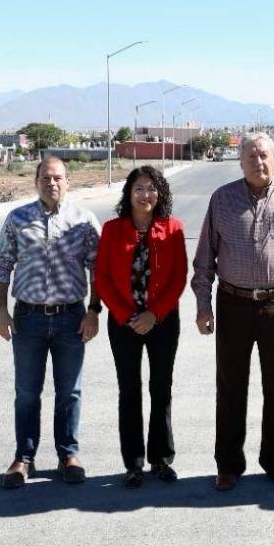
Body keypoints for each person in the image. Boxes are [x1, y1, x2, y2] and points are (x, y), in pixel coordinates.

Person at [192, 133, 274, 491]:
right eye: (251, 157)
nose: (258, 163)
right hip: (232, 304)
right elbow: (204, 260)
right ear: (240, 160)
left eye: (264, 156)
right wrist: (203, 305)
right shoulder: (222, 199)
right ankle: (228, 464)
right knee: (230, 387)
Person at [0, 156, 101, 488]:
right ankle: (23, 458)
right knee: (27, 392)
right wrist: (1, 311)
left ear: (68, 181)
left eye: (57, 178)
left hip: (71, 318)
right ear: (36, 181)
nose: (51, 183)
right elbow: (1, 265)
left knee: (69, 392)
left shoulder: (84, 220)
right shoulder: (17, 218)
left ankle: (68, 454)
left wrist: (94, 311)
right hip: (28, 318)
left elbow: (99, 268)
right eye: (45, 178)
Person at [94, 166, 187, 487]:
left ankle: (161, 458)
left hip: (162, 322)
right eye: (138, 188)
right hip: (123, 323)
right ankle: (133, 463)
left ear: (159, 193)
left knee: (161, 389)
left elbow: (178, 278)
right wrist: (125, 314)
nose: (145, 195)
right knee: (129, 391)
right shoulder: (112, 229)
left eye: (151, 188)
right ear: (128, 193)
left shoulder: (173, 229)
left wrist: (154, 314)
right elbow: (102, 279)